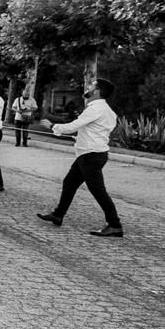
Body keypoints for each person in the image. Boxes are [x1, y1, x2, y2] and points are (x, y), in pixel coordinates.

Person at [37, 77, 124, 237]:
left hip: (90, 156)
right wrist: (80, 138)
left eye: (91, 85)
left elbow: (73, 126)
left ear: (97, 91)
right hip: (92, 154)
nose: (88, 87)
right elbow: (96, 132)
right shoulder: (107, 111)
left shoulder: (94, 109)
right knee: (69, 183)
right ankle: (58, 215)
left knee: (98, 191)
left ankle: (115, 225)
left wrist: (52, 126)